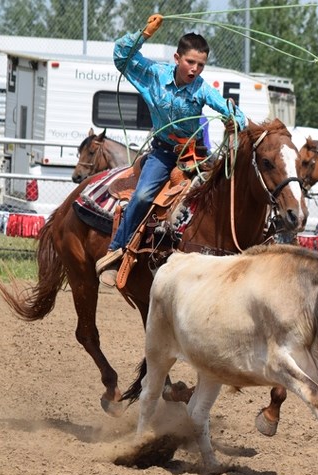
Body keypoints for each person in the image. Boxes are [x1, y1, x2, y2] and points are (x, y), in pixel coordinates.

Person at [95, 14, 248, 286]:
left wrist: (233, 119)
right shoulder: (154, 75)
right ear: (177, 58)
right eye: (190, 62)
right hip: (164, 154)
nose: (195, 70)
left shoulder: (202, 89)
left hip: (195, 154)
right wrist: (144, 34)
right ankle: (116, 251)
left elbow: (234, 114)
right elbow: (121, 57)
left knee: (225, 190)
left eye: (200, 65)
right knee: (142, 195)